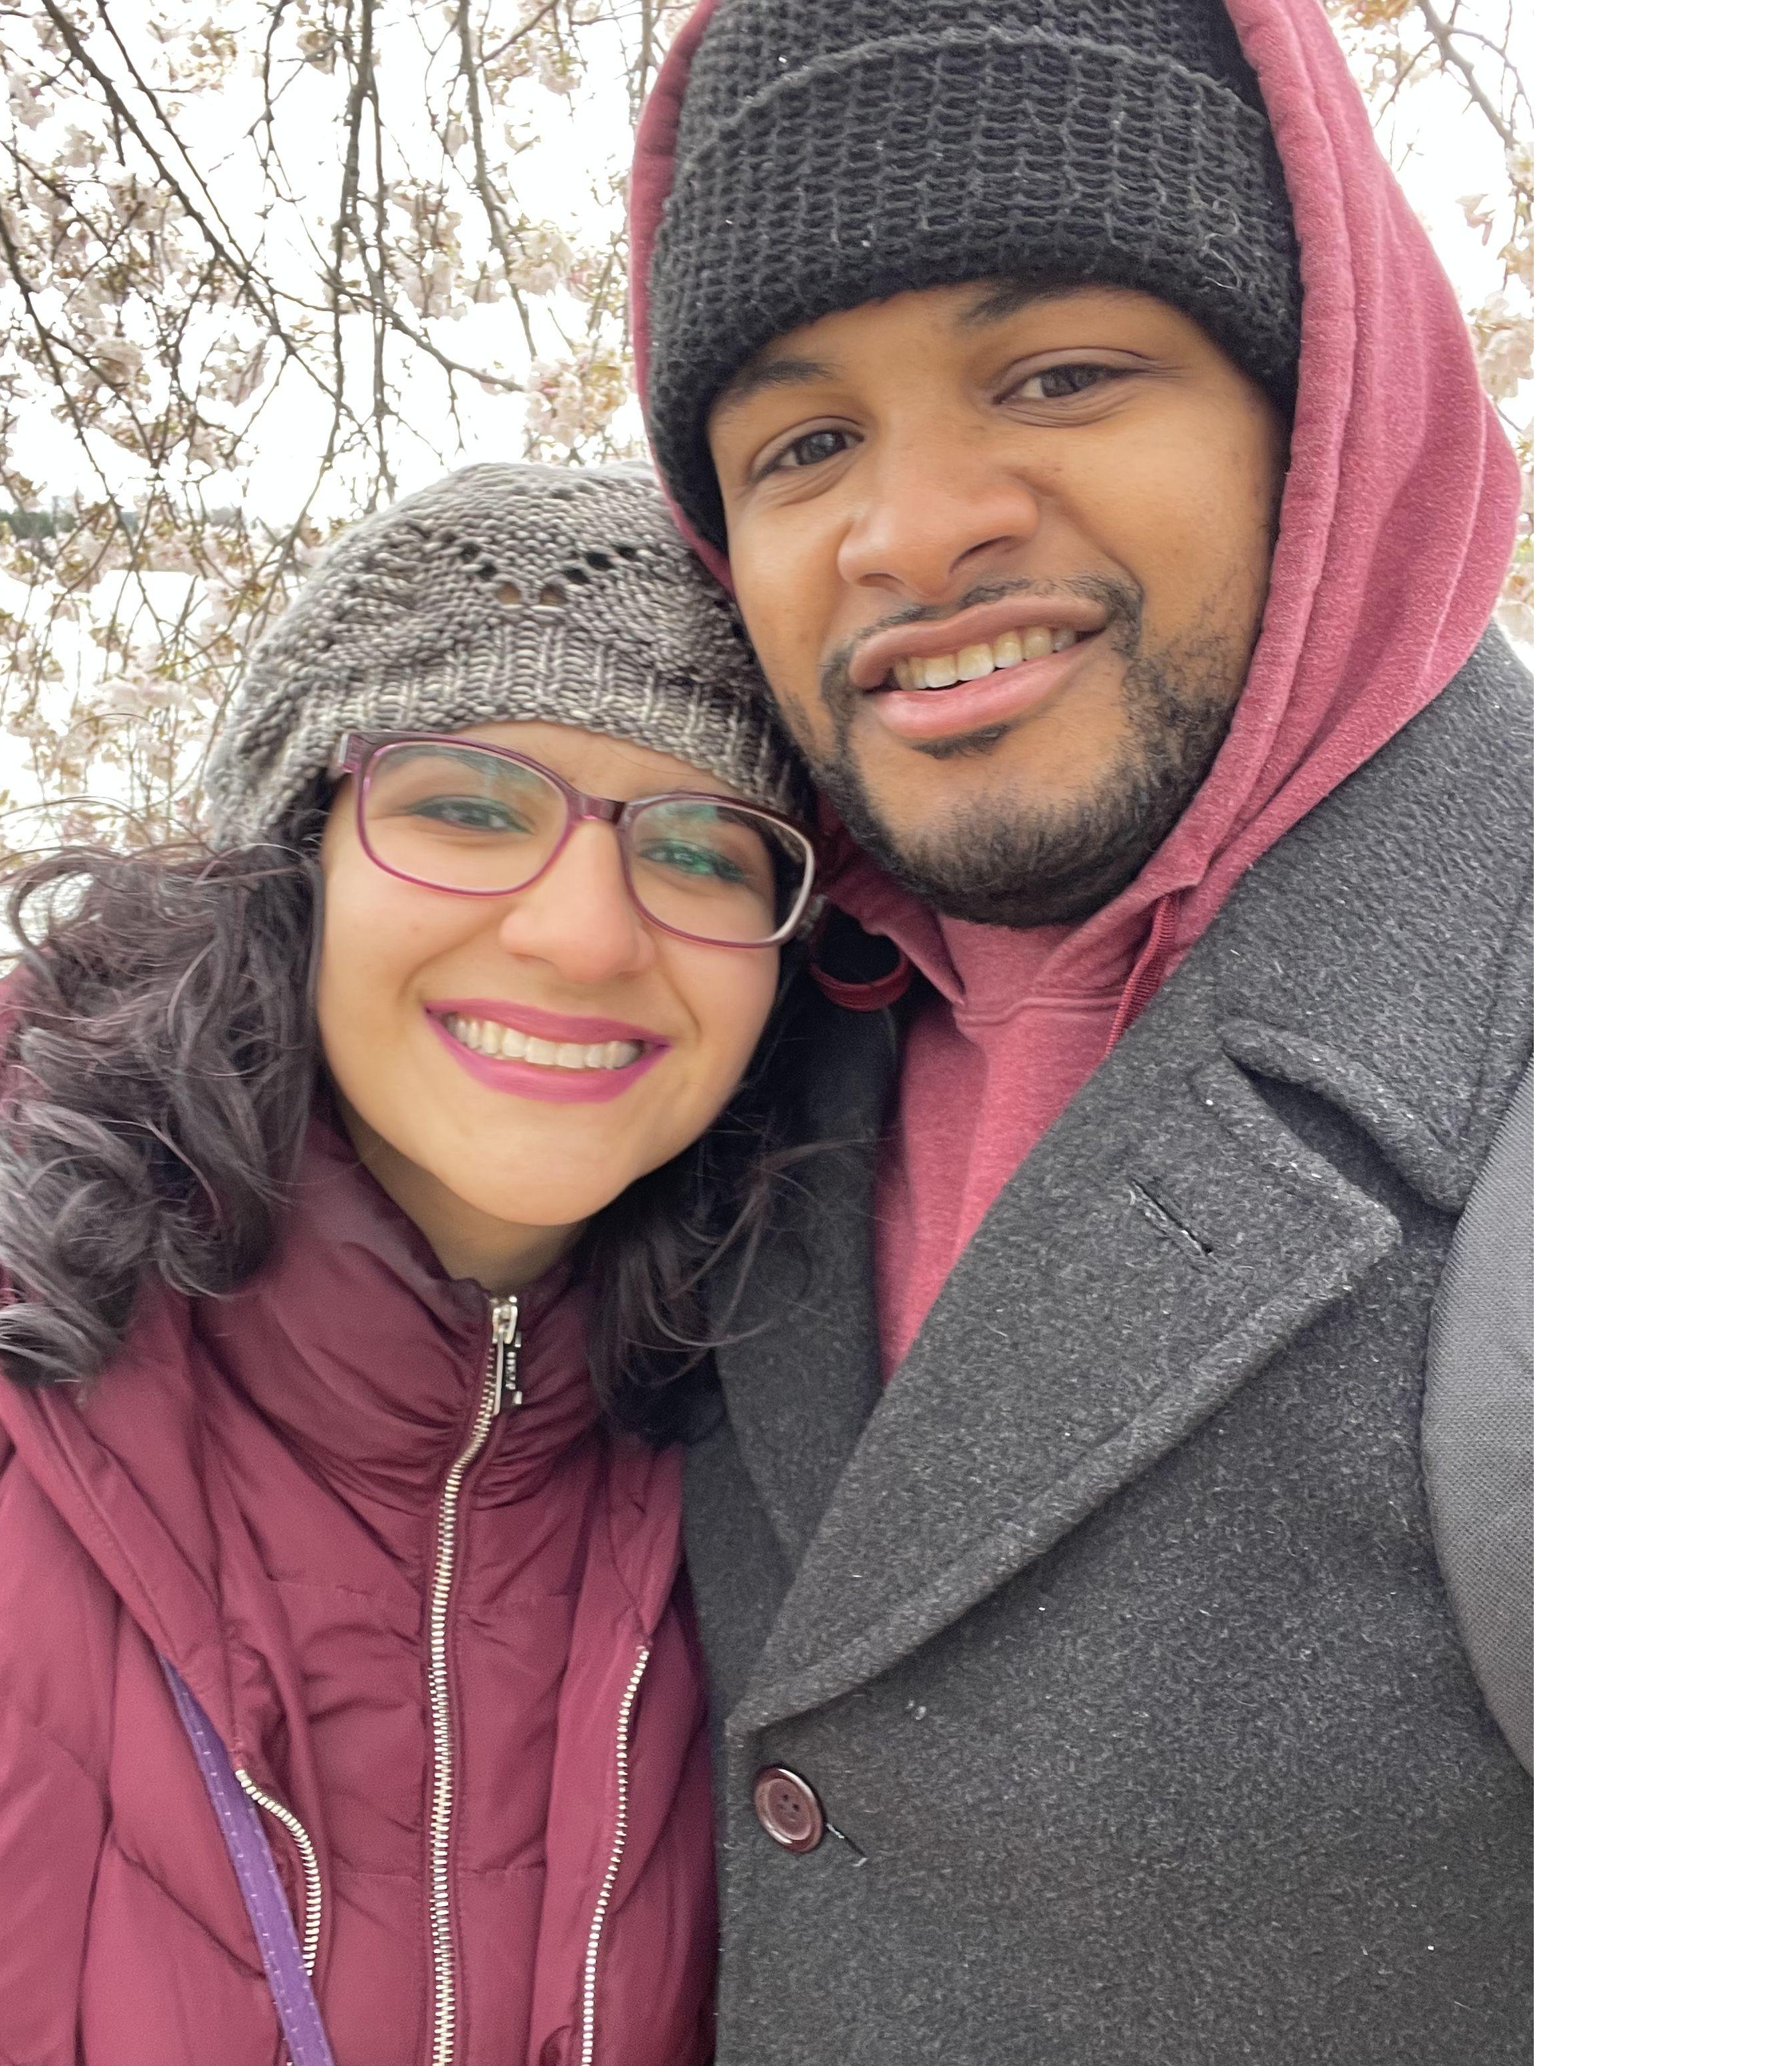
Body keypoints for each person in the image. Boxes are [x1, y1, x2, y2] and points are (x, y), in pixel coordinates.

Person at [625, 0, 1533, 2059]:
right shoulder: (726, 1019)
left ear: (1318, 408)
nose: (914, 530)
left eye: (1058, 374)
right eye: (803, 442)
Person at [0, 462, 822, 2066]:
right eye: (463, 803)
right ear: (293, 865)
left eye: (704, 847)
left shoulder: (795, 1429)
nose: (582, 933)